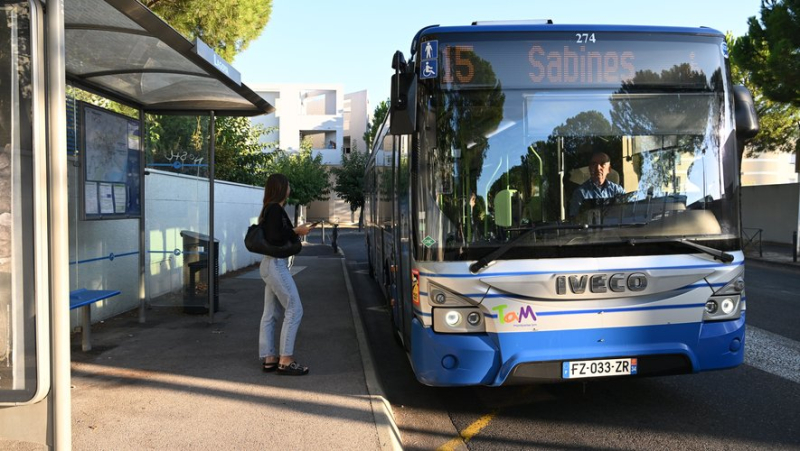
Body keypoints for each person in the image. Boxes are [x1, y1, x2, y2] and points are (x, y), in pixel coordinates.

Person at [258, 173, 314, 376]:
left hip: (269, 264)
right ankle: (286, 360)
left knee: (270, 313)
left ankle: (270, 357)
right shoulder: (274, 209)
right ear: (281, 188)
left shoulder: (270, 209)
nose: (290, 187)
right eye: (288, 184)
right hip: (276, 265)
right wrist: (297, 232)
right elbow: (275, 237)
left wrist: (296, 231)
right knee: (295, 309)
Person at [569, 151, 625, 218]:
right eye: (594, 164)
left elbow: (625, 214)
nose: (598, 168)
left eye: (602, 164)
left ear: (609, 169)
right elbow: (575, 220)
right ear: (589, 168)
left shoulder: (618, 191)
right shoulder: (580, 193)